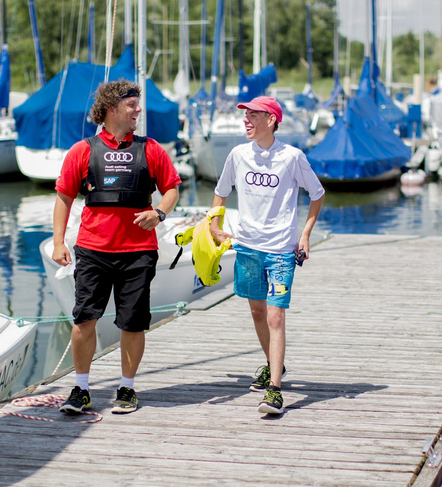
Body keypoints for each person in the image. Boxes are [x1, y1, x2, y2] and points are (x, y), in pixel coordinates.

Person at [52, 79, 180, 415]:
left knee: (133, 323)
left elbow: (171, 189)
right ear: (111, 109)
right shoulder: (83, 150)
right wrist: (59, 242)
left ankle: (127, 388)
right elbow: (64, 197)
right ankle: (81, 389)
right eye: (131, 104)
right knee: (84, 320)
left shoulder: (151, 149)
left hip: (138, 253)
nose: (138, 109)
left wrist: (159, 212)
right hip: (93, 249)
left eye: (138, 104)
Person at [209, 96, 325, 415]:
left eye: (253, 115)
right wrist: (214, 226)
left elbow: (317, 194)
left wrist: (305, 234)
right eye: (245, 115)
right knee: (257, 312)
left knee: (275, 316)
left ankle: (275, 390)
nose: (245, 120)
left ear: (271, 120)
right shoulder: (238, 154)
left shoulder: (292, 157)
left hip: (281, 250)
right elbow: (220, 192)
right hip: (247, 247)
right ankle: (276, 365)